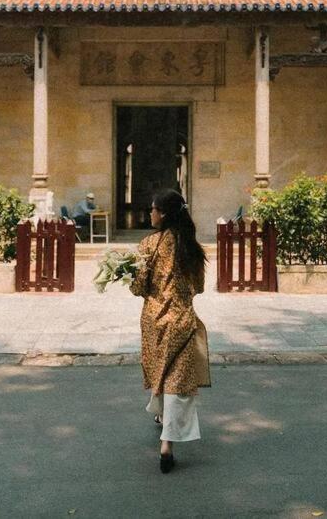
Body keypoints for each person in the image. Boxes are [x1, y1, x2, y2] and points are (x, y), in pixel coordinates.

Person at [130, 189, 210, 473]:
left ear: (162, 214)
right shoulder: (192, 247)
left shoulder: (149, 244)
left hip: (154, 320)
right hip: (182, 321)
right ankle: (167, 443)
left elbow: (138, 287)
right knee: (178, 380)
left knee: (159, 371)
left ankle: (162, 419)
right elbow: (199, 288)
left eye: (152, 209)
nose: (150, 213)